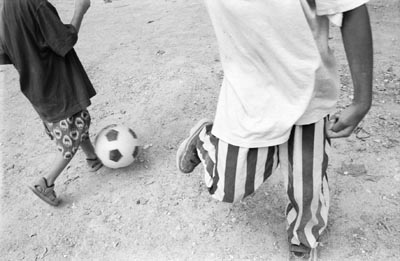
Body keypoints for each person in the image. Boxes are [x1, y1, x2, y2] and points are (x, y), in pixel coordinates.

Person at [176, 0, 372, 260]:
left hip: (307, 88)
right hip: (248, 92)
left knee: (306, 183)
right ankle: (205, 138)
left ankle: (303, 237)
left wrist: (361, 100)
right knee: (227, 188)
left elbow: (352, 8)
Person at [0, 0, 103, 206]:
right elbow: (64, 40)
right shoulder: (36, 4)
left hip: (35, 83)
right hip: (57, 83)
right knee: (75, 125)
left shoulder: (4, 6)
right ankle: (46, 183)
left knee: (74, 120)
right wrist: (79, 11)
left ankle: (92, 157)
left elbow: (4, 54)